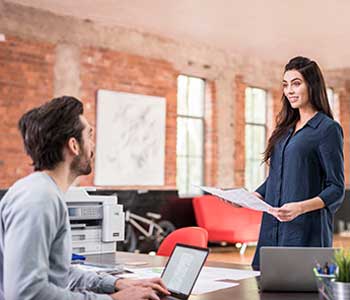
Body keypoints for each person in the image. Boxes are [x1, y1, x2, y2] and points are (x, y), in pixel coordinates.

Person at [0, 96, 170, 299]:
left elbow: (59, 273)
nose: (93, 146)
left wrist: (116, 284)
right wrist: (113, 299)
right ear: (74, 145)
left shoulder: (43, 191)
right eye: (89, 136)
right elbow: (27, 293)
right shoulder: (39, 199)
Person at [252, 56, 345, 270]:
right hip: (272, 229)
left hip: (306, 232)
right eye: (286, 85)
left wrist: (300, 208)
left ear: (311, 85)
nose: (289, 91)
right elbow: (276, 178)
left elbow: (336, 188)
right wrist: (252, 197)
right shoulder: (283, 131)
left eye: (296, 83)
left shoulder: (327, 129)